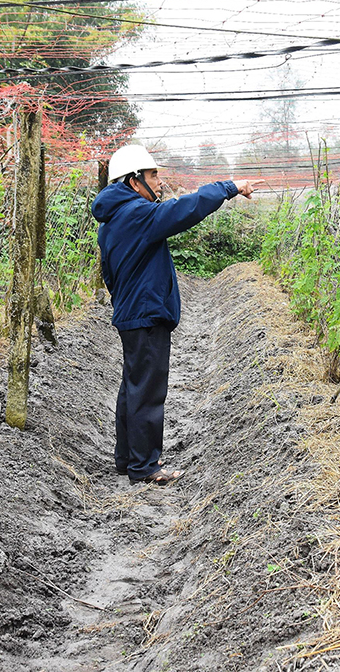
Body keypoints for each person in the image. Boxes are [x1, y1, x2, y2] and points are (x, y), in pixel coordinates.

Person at [91, 145, 263, 485]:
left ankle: (127, 459)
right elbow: (186, 209)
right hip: (146, 314)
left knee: (133, 385)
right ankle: (145, 467)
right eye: (152, 175)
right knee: (148, 390)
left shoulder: (112, 223)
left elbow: (109, 275)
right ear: (132, 181)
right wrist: (230, 187)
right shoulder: (137, 214)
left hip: (131, 312)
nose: (159, 181)